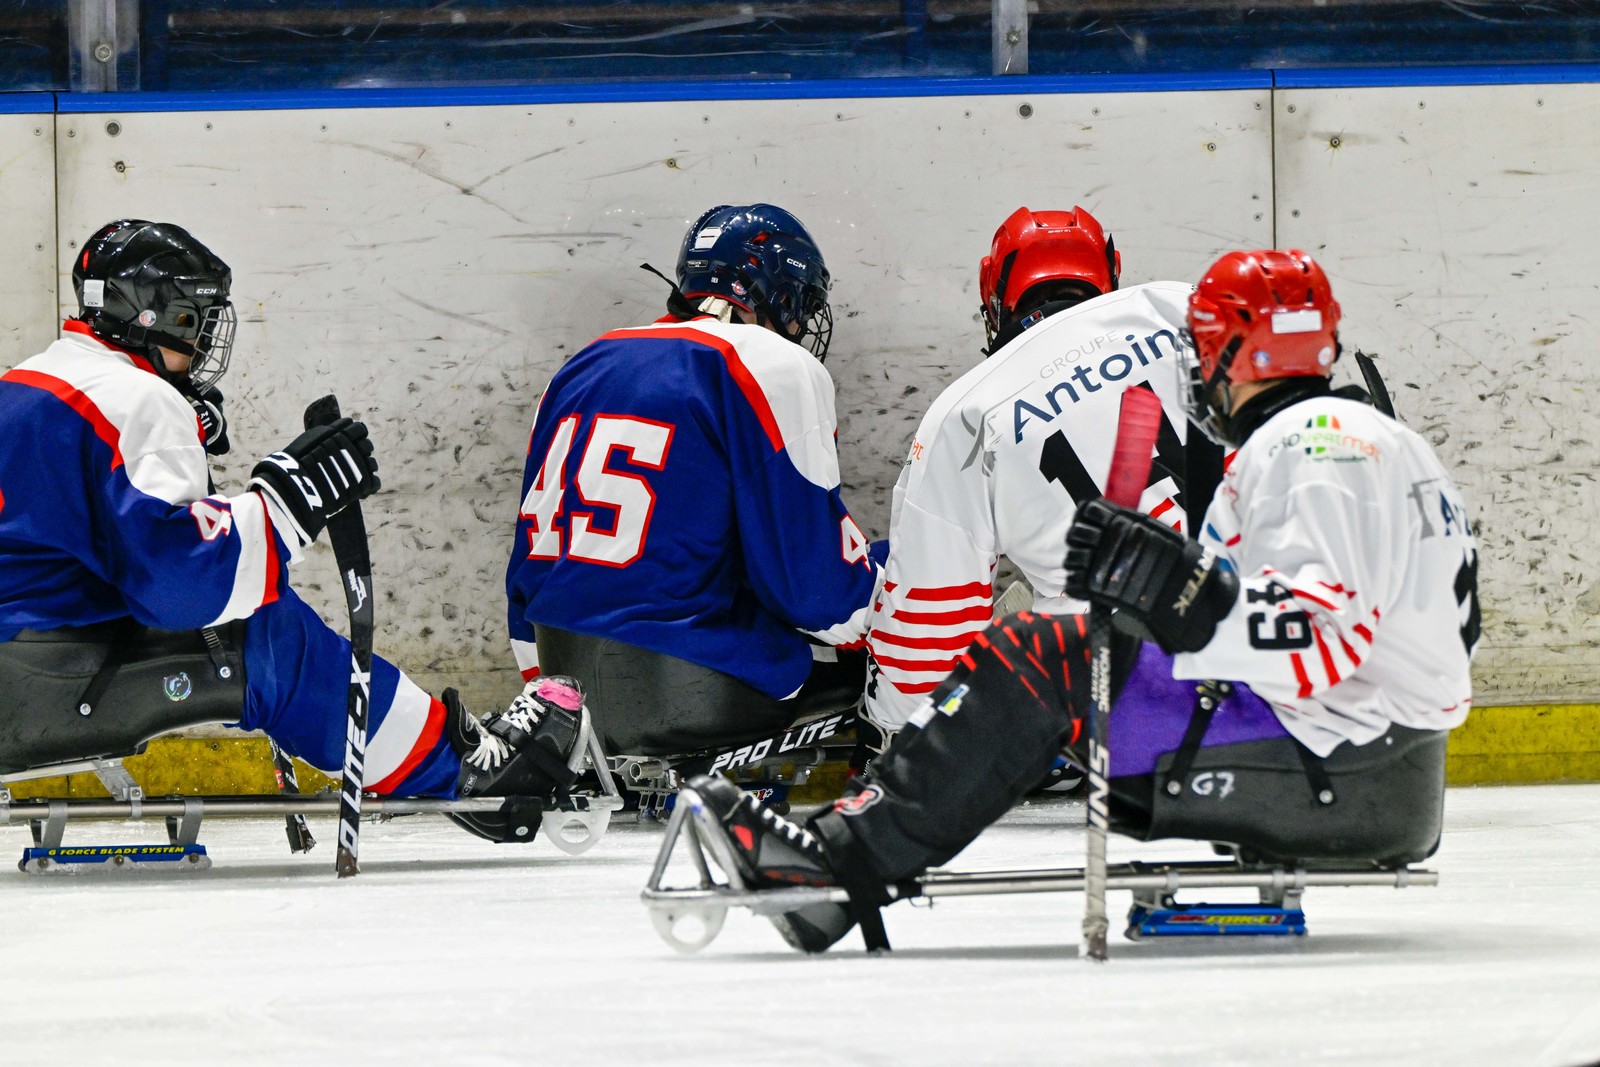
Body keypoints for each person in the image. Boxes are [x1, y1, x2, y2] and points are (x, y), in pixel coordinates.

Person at [685, 248, 1480, 953]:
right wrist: (1173, 600)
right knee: (1068, 643)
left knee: (1041, 649)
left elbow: (1319, 639)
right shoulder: (1357, 436)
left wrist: (1183, 592)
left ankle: (831, 871)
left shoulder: (1310, 444)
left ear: (1238, 354)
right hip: (1372, 756)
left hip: (1345, 767)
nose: (1195, 371)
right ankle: (838, 851)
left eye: (1205, 351)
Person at [0, 219, 583, 843]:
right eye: (192, 321)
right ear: (148, 315)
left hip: (22, 658)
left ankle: (436, 738)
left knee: (251, 607)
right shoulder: (136, 400)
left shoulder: (27, 382)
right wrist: (282, 507)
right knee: (264, 634)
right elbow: (180, 592)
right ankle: (462, 773)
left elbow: (94, 541)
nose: (199, 347)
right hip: (42, 685)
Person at [506, 204, 879, 758]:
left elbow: (528, 571)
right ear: (774, 292)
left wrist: (554, 691)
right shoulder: (768, 361)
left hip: (563, 689)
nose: (800, 326)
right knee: (896, 594)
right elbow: (819, 594)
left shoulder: (580, 365)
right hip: (694, 688)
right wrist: (900, 606)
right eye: (799, 306)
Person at [863, 205, 1198, 786]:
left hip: (1131, 700)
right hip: (1278, 646)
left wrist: (893, 731)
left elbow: (929, 630)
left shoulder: (965, 412)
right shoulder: (1182, 305)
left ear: (994, 293)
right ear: (1109, 271)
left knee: (1020, 617)